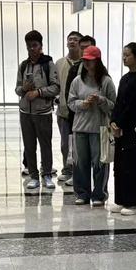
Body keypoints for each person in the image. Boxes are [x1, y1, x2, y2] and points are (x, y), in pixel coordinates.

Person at [68, 45, 117, 206]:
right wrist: (83, 104)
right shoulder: (77, 81)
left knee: (100, 163)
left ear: (97, 61)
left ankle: (99, 195)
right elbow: (71, 103)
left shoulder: (106, 81)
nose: (87, 63)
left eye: (90, 60)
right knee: (80, 163)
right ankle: (82, 193)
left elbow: (113, 105)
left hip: (99, 129)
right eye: (85, 60)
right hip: (80, 128)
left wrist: (101, 100)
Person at [108, 43, 136, 215]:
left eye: (128, 55)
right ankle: (121, 199)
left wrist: (120, 123)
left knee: (131, 164)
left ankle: (133, 203)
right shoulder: (125, 78)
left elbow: (133, 105)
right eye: (123, 55)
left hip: (133, 127)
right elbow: (119, 102)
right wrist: (113, 121)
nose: (124, 58)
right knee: (119, 164)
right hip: (120, 127)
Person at [17, 30, 61, 190]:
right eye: (29, 46)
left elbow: (56, 87)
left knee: (45, 145)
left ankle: (47, 174)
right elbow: (17, 89)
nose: (31, 49)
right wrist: (23, 89)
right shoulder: (23, 65)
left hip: (43, 112)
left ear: (41, 46)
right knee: (29, 146)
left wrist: (38, 92)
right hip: (25, 113)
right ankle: (33, 176)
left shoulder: (48, 64)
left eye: (34, 45)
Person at [55, 31, 82, 182]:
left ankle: (78, 172)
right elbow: (55, 85)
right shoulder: (59, 63)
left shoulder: (86, 64)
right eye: (70, 39)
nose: (72, 41)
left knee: (79, 144)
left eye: (75, 39)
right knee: (65, 143)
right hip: (64, 111)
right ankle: (67, 169)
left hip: (80, 112)